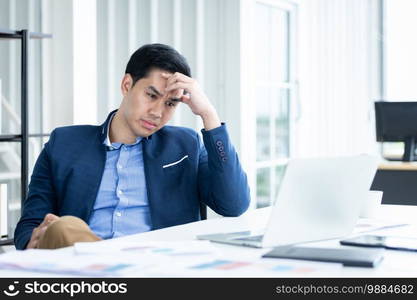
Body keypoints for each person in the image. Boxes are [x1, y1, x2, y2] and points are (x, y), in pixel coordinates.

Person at [14, 43, 250, 250]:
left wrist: (209, 115)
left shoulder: (184, 144)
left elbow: (234, 204)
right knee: (64, 228)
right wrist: (36, 239)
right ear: (127, 85)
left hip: (158, 267)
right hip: (83, 267)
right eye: (151, 95)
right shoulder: (64, 143)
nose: (158, 112)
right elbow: (28, 226)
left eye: (170, 103)